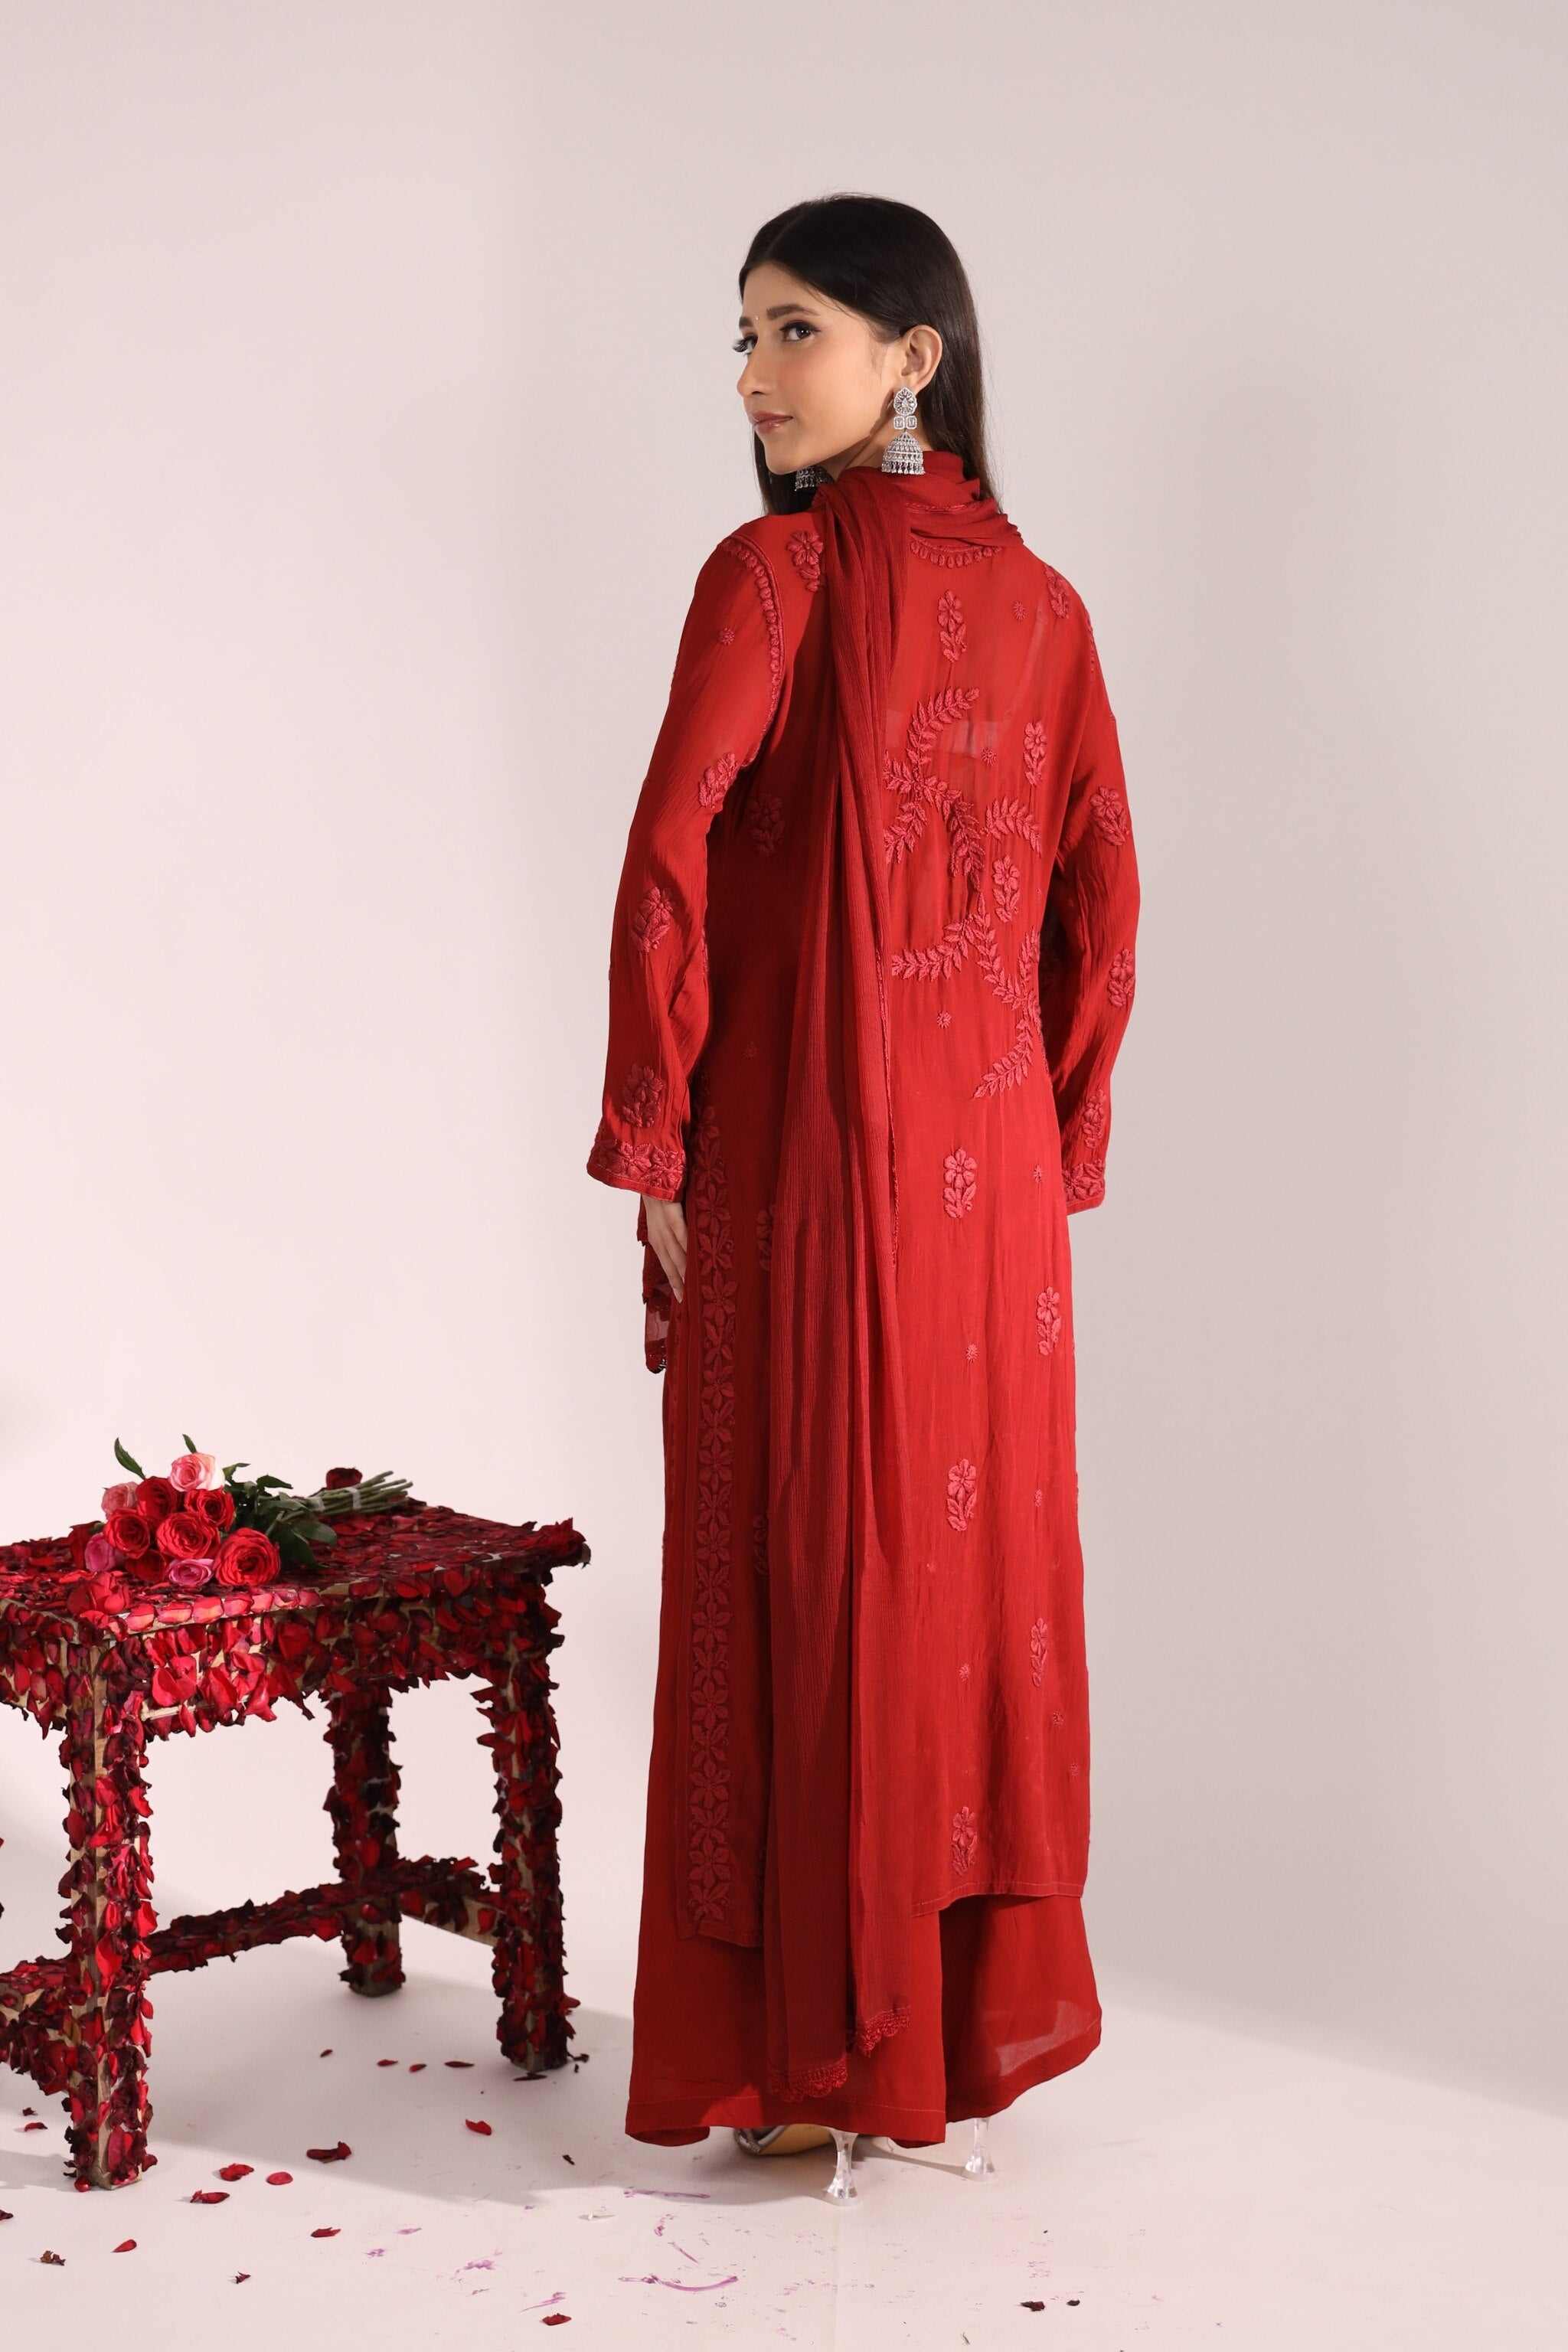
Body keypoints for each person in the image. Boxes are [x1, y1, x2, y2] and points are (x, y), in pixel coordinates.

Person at [585, 192, 1140, 2174]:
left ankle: (810, 2059)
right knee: (960, 1577)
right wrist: (1047, 1131)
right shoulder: (1053, 611)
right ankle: (935, 2041)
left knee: (805, 1558)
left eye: (791, 328)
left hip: (811, 1168)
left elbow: (667, 859)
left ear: (918, 351)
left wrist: (658, 1135)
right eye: (739, 334)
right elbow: (1107, 910)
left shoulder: (775, 575)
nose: (750, 375)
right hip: (987, 1200)